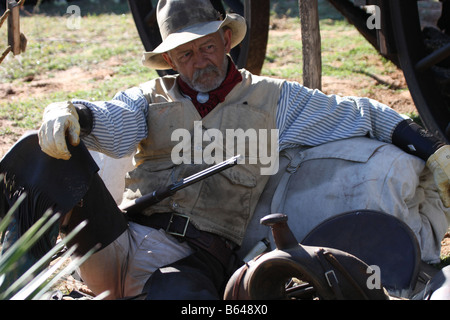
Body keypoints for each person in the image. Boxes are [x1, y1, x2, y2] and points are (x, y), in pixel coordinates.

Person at [5, 0, 450, 299]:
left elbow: (363, 114)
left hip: (194, 259)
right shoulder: (148, 98)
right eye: (185, 55)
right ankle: (12, 282)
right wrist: (72, 113)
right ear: (170, 61)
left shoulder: (277, 101)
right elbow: (109, 120)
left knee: (176, 300)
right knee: (36, 153)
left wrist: (435, 152)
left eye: (207, 47)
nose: (200, 62)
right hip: (118, 238)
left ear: (225, 40)